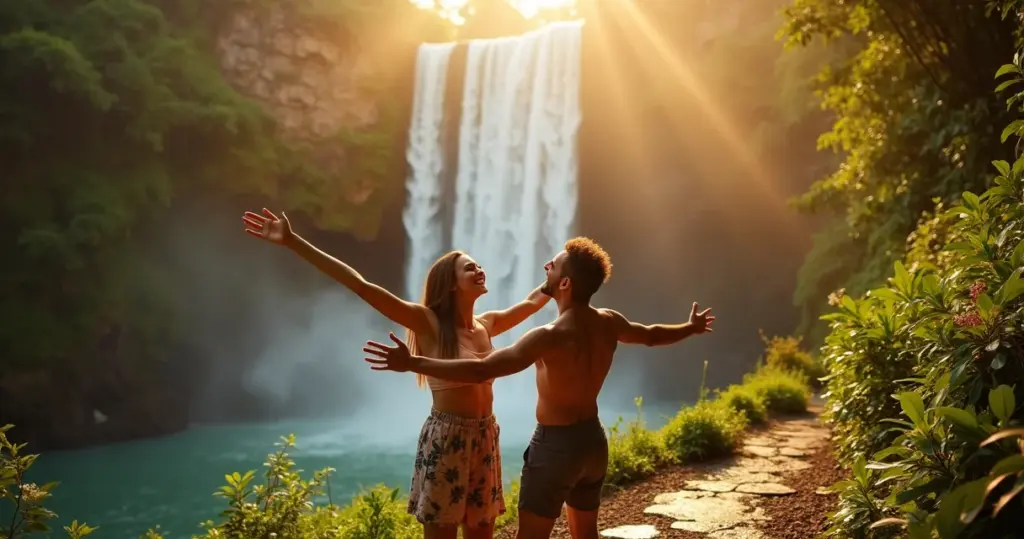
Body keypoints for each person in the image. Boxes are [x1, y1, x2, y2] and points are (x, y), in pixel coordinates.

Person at [362, 237, 715, 539]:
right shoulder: (609, 321)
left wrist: (413, 363)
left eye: (554, 264)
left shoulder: (548, 336)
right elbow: (652, 335)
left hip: (555, 447)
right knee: (586, 533)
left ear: (564, 284)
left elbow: (483, 368)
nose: (546, 264)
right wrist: (690, 327)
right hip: (593, 441)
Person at [242, 208, 551, 539]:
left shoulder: (486, 324)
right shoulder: (428, 322)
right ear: (450, 284)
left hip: (486, 436)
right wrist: (293, 242)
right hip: (447, 440)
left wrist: (565, 270)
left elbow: (534, 302)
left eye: (478, 265)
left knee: (481, 532)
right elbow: (361, 286)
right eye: (469, 267)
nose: (479, 269)